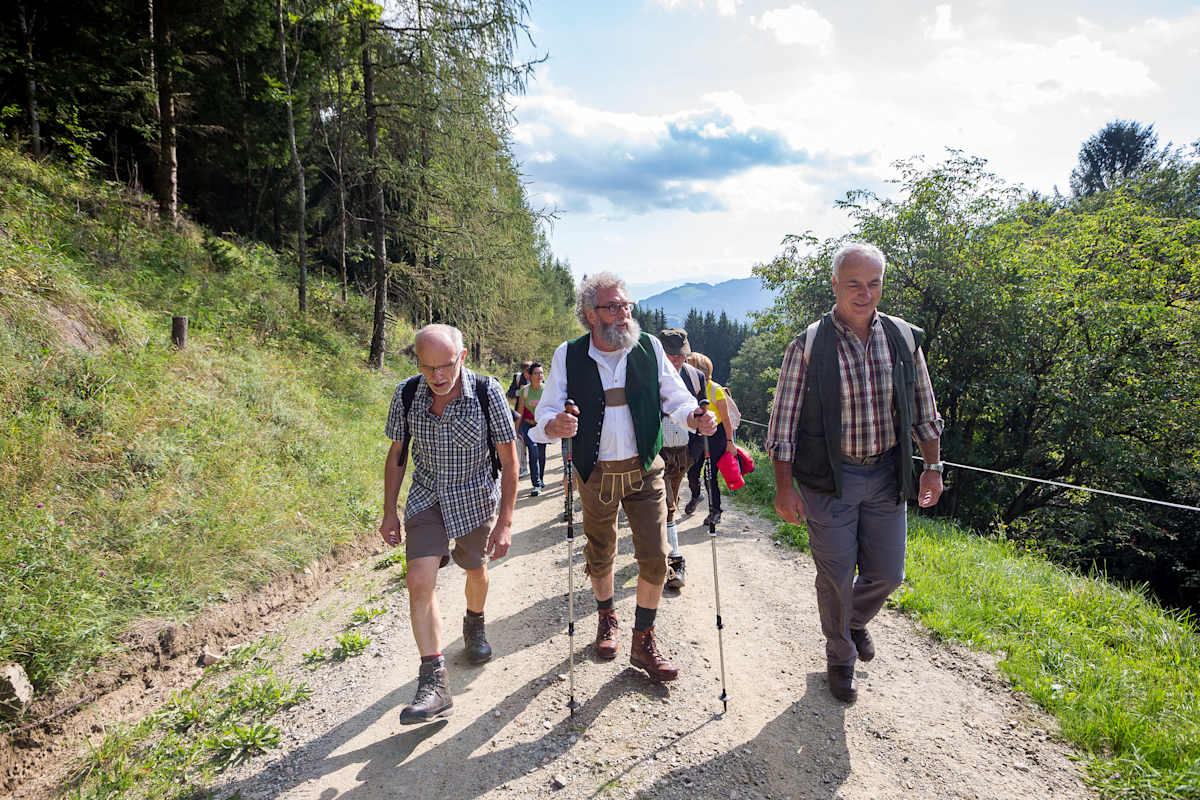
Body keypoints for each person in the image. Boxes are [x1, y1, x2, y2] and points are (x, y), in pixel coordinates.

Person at [765, 242, 944, 703]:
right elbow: (782, 424)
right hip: (829, 478)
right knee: (836, 576)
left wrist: (932, 467)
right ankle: (840, 657)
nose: (865, 294)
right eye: (854, 285)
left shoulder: (902, 338)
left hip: (887, 473)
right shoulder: (809, 345)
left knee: (888, 574)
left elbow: (925, 409)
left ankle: (854, 621)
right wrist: (784, 488)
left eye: (873, 284)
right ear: (835, 286)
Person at [531, 272, 717, 682]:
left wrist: (694, 416)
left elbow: (676, 398)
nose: (624, 314)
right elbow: (545, 412)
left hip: (645, 468)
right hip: (595, 472)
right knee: (600, 552)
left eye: (626, 306)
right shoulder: (568, 354)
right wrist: (553, 425)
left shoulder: (649, 347)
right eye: (613, 307)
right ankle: (606, 617)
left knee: (656, 555)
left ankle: (643, 639)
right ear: (590, 314)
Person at [379, 324, 519, 723]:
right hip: (427, 497)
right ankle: (435, 682)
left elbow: (509, 460)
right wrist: (389, 510)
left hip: (474, 496)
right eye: (428, 367)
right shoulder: (407, 394)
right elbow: (397, 455)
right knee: (419, 579)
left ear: (462, 357)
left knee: (475, 569)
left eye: (446, 366)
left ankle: (475, 623)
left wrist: (505, 522)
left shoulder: (487, 392)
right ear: (418, 363)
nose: (438, 376)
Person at [656, 329, 707, 590]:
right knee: (667, 505)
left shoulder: (696, 377)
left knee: (669, 503)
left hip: (683, 453)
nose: (677, 359)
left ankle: (658, 551)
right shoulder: (651, 376)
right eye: (671, 354)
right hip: (657, 452)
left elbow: (702, 413)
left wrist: (695, 454)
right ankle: (673, 561)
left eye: (681, 354)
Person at [684, 352, 733, 527]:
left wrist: (730, 442)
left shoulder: (715, 390)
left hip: (716, 435)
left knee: (710, 475)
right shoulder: (689, 388)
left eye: (689, 365)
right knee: (692, 472)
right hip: (697, 434)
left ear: (699, 370)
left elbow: (726, 419)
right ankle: (696, 496)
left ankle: (715, 511)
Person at [516, 362, 547, 496]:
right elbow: (520, 411)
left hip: (541, 426)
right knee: (533, 452)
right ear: (530, 376)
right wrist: (516, 429)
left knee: (541, 453)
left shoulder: (547, 390)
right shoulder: (525, 391)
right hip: (528, 426)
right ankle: (536, 484)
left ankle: (541, 478)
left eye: (541, 373)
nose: (539, 376)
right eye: (536, 373)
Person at [506, 362, 532, 478]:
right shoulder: (517, 378)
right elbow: (509, 393)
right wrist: (520, 392)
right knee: (520, 440)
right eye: (526, 371)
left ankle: (534, 466)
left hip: (533, 415)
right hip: (520, 414)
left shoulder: (538, 377)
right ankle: (522, 467)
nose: (528, 374)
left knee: (533, 443)